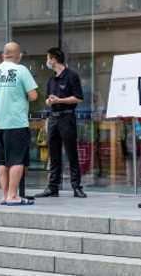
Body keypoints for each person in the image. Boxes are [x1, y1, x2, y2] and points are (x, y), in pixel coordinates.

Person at [0, 41, 39, 206]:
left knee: (2, 161)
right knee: (17, 160)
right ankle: (13, 196)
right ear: (19, 55)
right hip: (16, 122)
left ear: (4, 54)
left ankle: (4, 195)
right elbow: (33, 96)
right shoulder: (21, 70)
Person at [34, 47, 85, 198]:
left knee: (71, 152)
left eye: (48, 58)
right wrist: (49, 101)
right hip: (53, 117)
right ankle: (52, 187)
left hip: (67, 117)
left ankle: (77, 187)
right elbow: (48, 98)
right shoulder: (51, 79)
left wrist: (60, 100)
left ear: (54, 59)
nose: (47, 61)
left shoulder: (71, 76)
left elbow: (78, 98)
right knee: (53, 153)